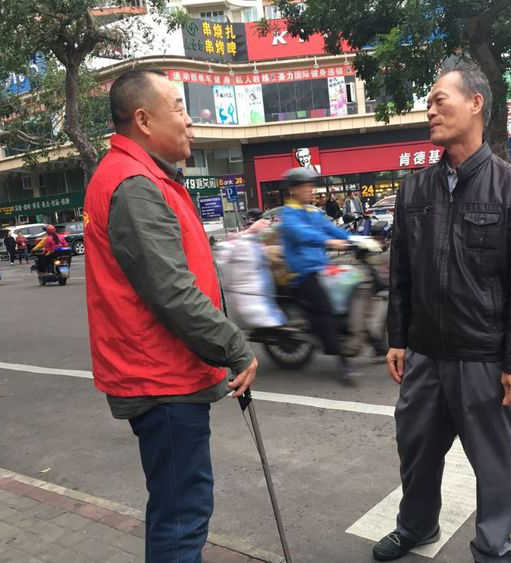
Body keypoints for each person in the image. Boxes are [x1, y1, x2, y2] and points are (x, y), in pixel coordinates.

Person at [376, 59, 511, 562]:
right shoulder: (414, 190)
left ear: (475, 103)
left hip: (483, 358)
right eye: (428, 103)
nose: (429, 111)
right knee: (416, 449)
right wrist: (397, 338)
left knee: (494, 466)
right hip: (425, 354)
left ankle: (493, 549)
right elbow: (402, 270)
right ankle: (416, 526)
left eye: (439, 100)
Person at [83, 68, 258, 562]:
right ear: (143, 119)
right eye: (179, 107)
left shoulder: (144, 176)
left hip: (162, 373)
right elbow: (172, 291)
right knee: (182, 515)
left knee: (178, 508)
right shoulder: (134, 183)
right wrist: (234, 347)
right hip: (160, 379)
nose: (190, 119)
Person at [279, 167, 356, 377]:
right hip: (303, 274)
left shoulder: (313, 211)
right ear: (294, 189)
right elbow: (304, 234)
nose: (311, 190)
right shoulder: (288, 215)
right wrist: (329, 242)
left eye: (311, 186)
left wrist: (356, 239)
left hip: (322, 268)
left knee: (353, 284)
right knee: (326, 309)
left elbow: (330, 228)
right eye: (306, 186)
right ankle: (341, 362)